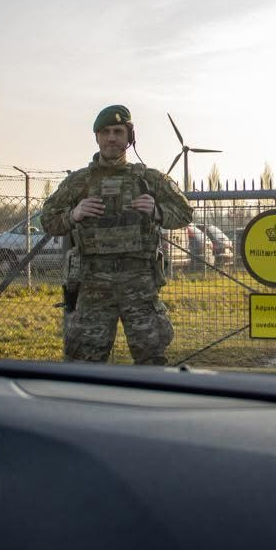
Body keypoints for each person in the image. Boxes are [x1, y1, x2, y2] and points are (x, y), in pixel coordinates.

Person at [41, 104, 193, 365]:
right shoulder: (79, 182)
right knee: (86, 360)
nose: (112, 137)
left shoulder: (149, 179)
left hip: (140, 285)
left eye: (118, 131)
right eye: (105, 132)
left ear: (129, 137)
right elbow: (48, 220)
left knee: (151, 357)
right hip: (93, 285)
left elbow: (185, 212)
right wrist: (73, 214)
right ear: (97, 137)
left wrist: (157, 211)